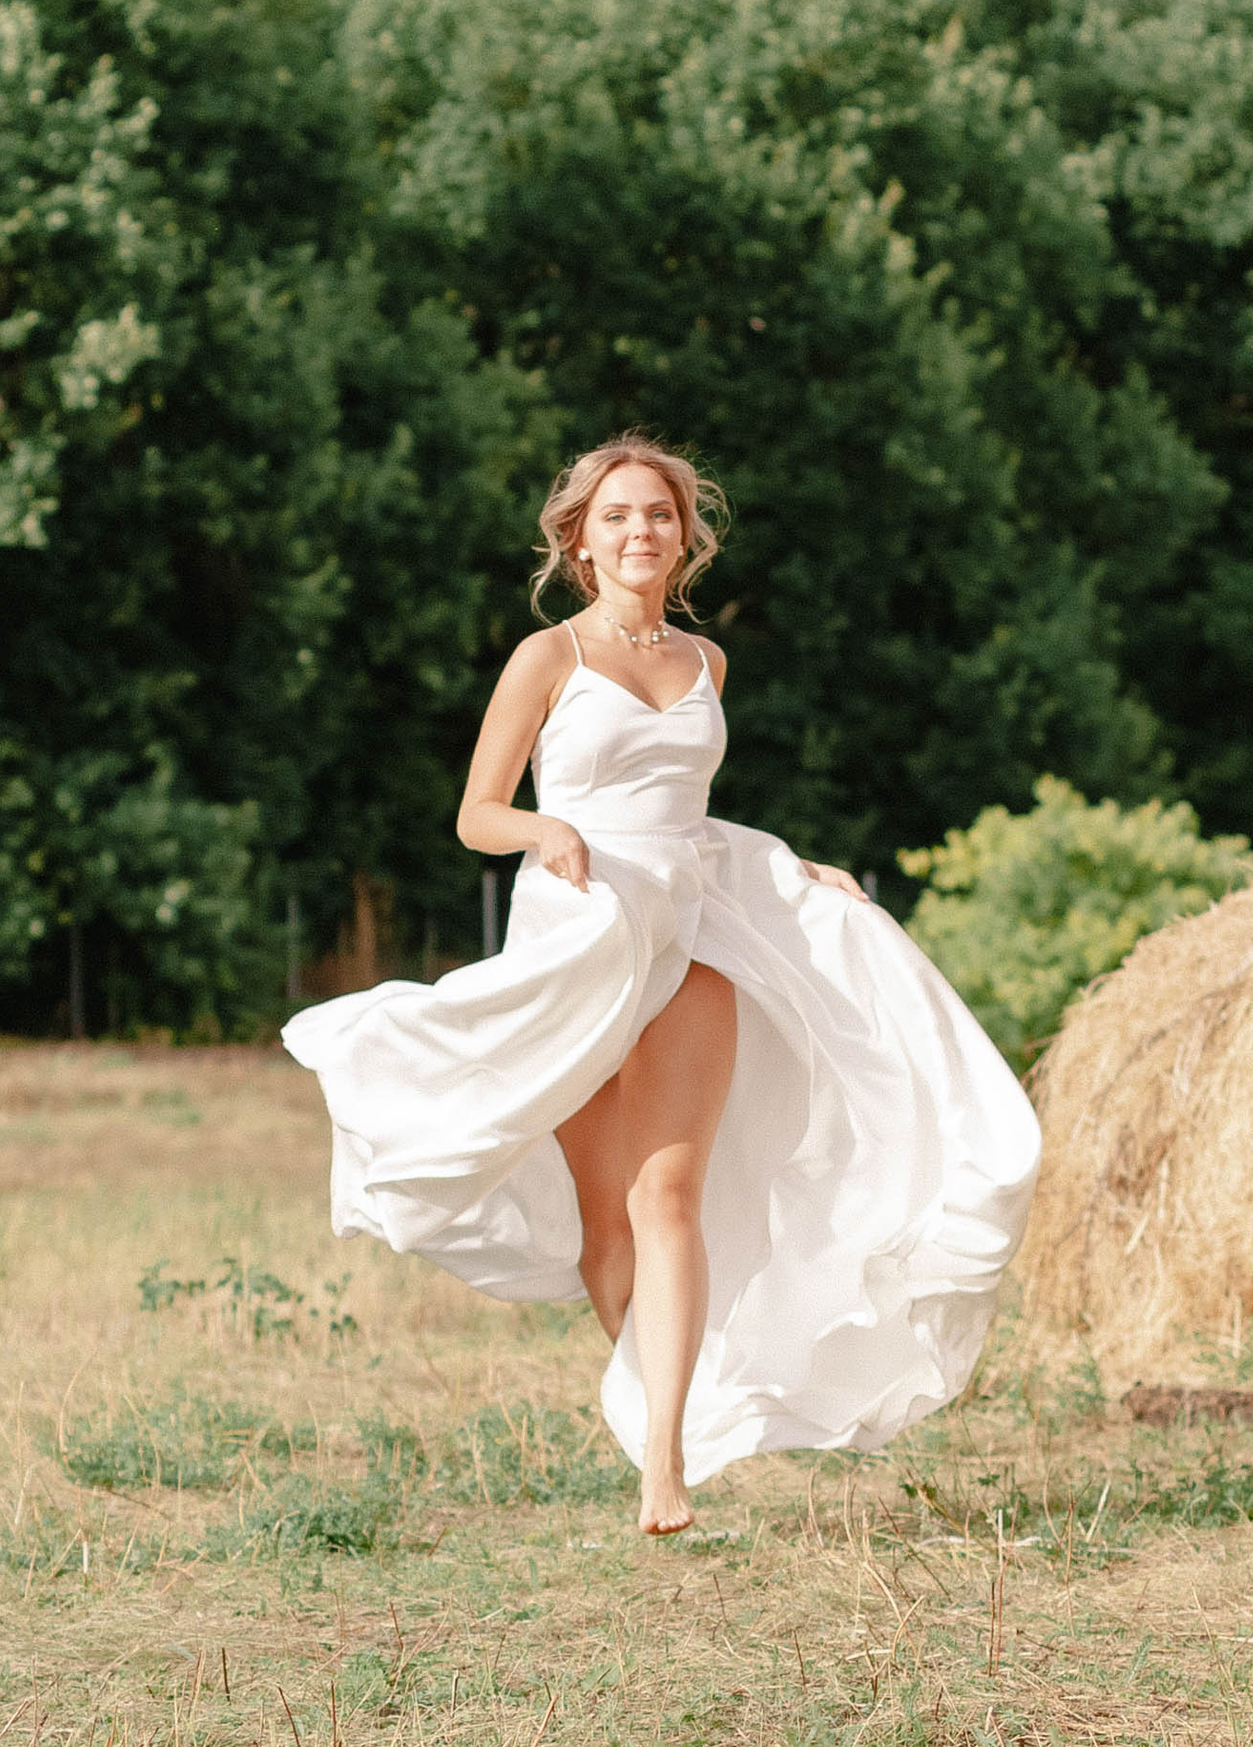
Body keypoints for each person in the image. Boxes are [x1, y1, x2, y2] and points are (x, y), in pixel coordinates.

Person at [282, 437, 1039, 1532]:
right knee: (608, 1231)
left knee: (668, 1195)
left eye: (660, 516)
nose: (641, 531)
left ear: (685, 537)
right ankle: (651, 1408)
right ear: (580, 541)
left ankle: (665, 1464)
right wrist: (544, 830)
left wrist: (790, 865)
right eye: (618, 516)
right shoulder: (548, 659)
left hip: (691, 938)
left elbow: (681, 814)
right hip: (578, 948)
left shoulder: (706, 664)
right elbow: (474, 814)